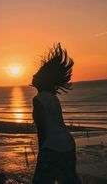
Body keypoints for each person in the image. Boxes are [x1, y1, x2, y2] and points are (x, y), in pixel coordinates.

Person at [31, 43, 81, 184]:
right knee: (68, 180)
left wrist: (42, 152)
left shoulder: (38, 99)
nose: (33, 75)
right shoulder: (54, 98)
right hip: (68, 144)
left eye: (37, 74)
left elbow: (42, 129)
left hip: (52, 147)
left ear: (42, 80)